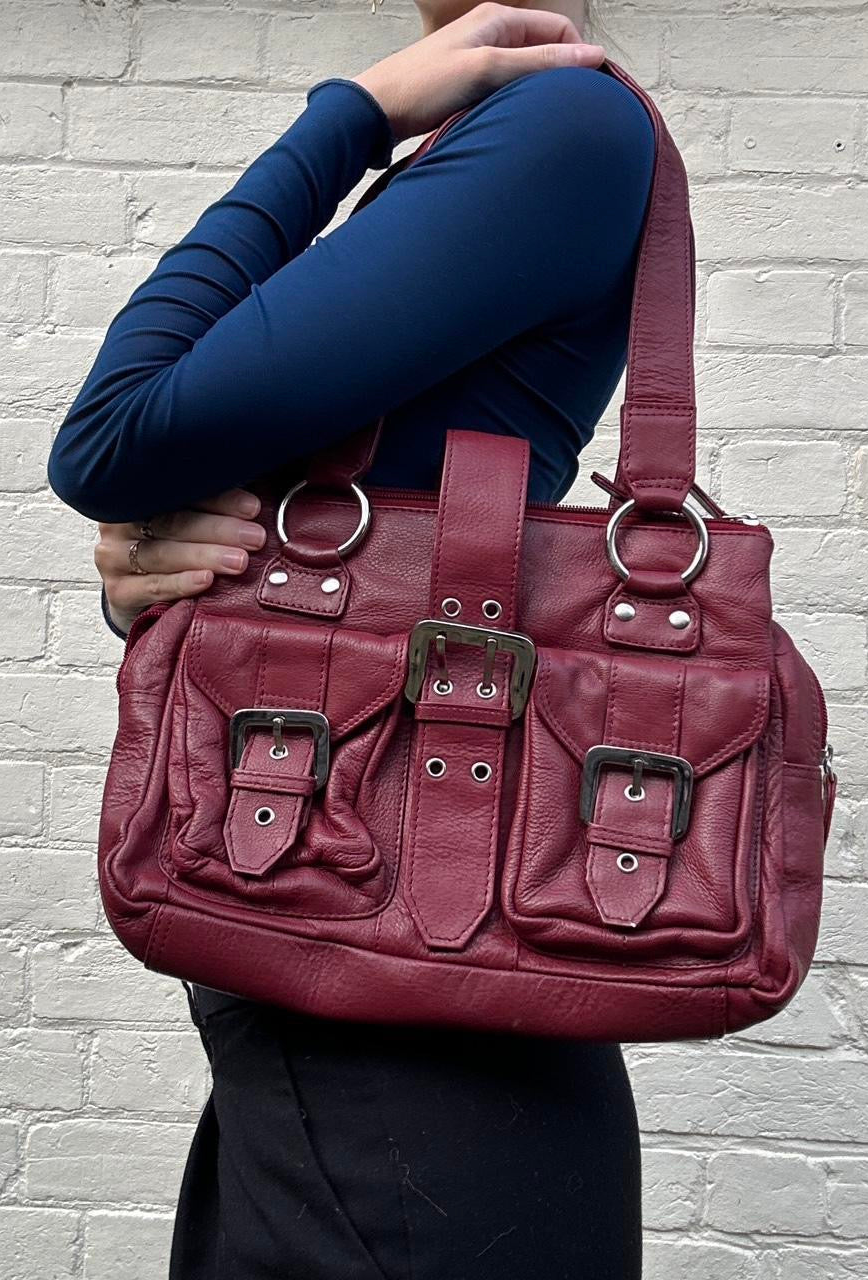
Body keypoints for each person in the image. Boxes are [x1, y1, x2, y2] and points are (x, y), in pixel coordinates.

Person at [47, 3, 657, 1275]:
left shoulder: (565, 121)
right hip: (375, 997)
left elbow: (115, 432)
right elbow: (208, 494)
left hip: (402, 1043)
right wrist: (170, 572)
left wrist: (351, 115)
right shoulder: (519, 133)